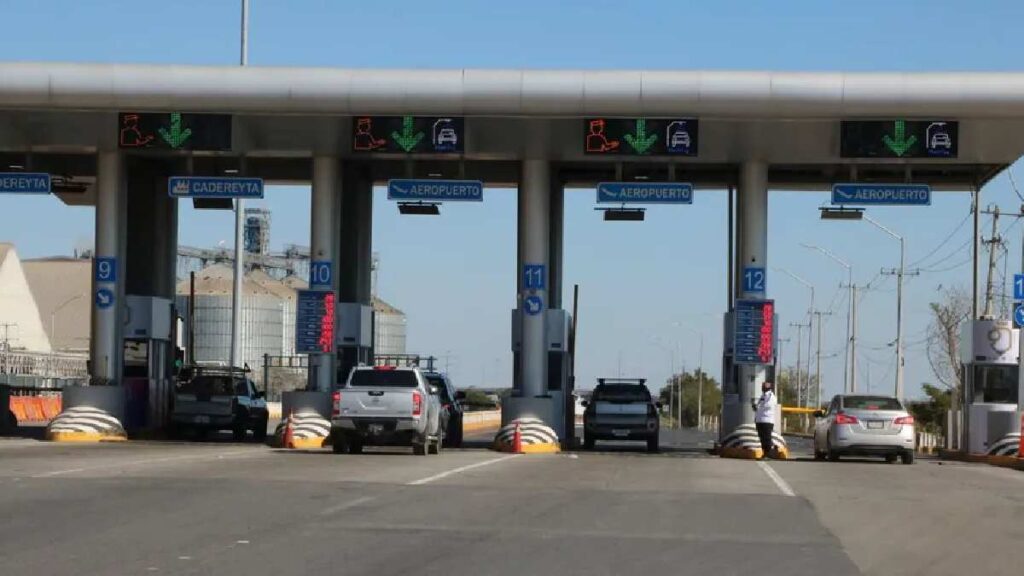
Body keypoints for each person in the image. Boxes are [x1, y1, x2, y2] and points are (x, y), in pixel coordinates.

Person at [753, 381, 777, 460]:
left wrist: (758, 407)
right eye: (762, 385)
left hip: (767, 420)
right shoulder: (763, 396)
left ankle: (769, 454)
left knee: (767, 438)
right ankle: (765, 453)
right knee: (762, 438)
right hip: (760, 420)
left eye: (764, 386)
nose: (762, 387)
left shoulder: (770, 396)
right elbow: (759, 405)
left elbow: (768, 405)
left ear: (768, 387)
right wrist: (755, 406)